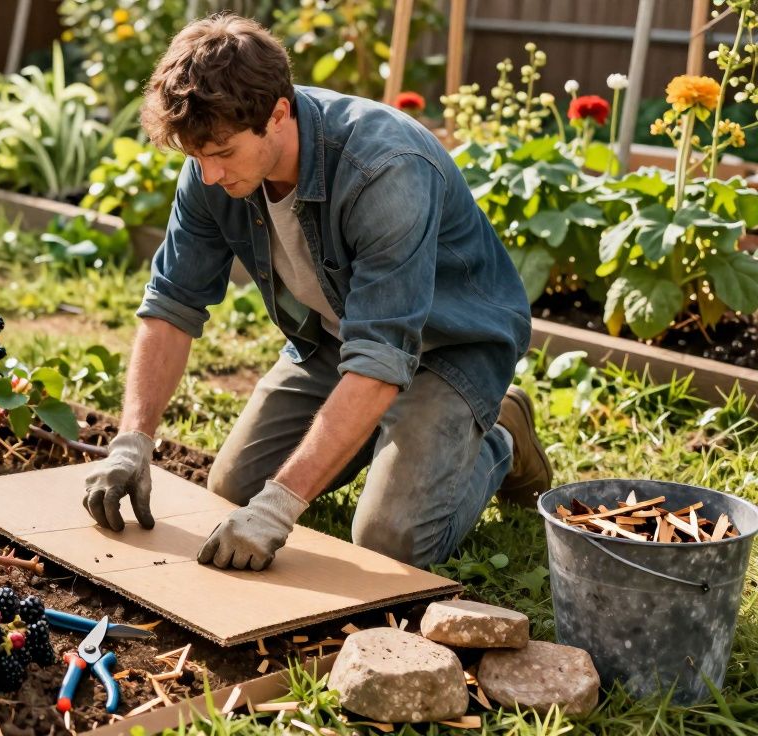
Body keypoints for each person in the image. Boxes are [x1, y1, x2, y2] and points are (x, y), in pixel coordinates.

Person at [81, 13, 552, 572]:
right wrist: (132, 439)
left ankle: (499, 433)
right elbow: (171, 305)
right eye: (195, 157)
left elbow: (382, 357)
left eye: (223, 154)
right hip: (338, 337)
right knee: (231, 488)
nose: (208, 175)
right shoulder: (211, 161)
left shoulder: (385, 170)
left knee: (389, 541)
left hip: (449, 348)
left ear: (277, 114)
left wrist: (281, 506)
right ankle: (375, 430)